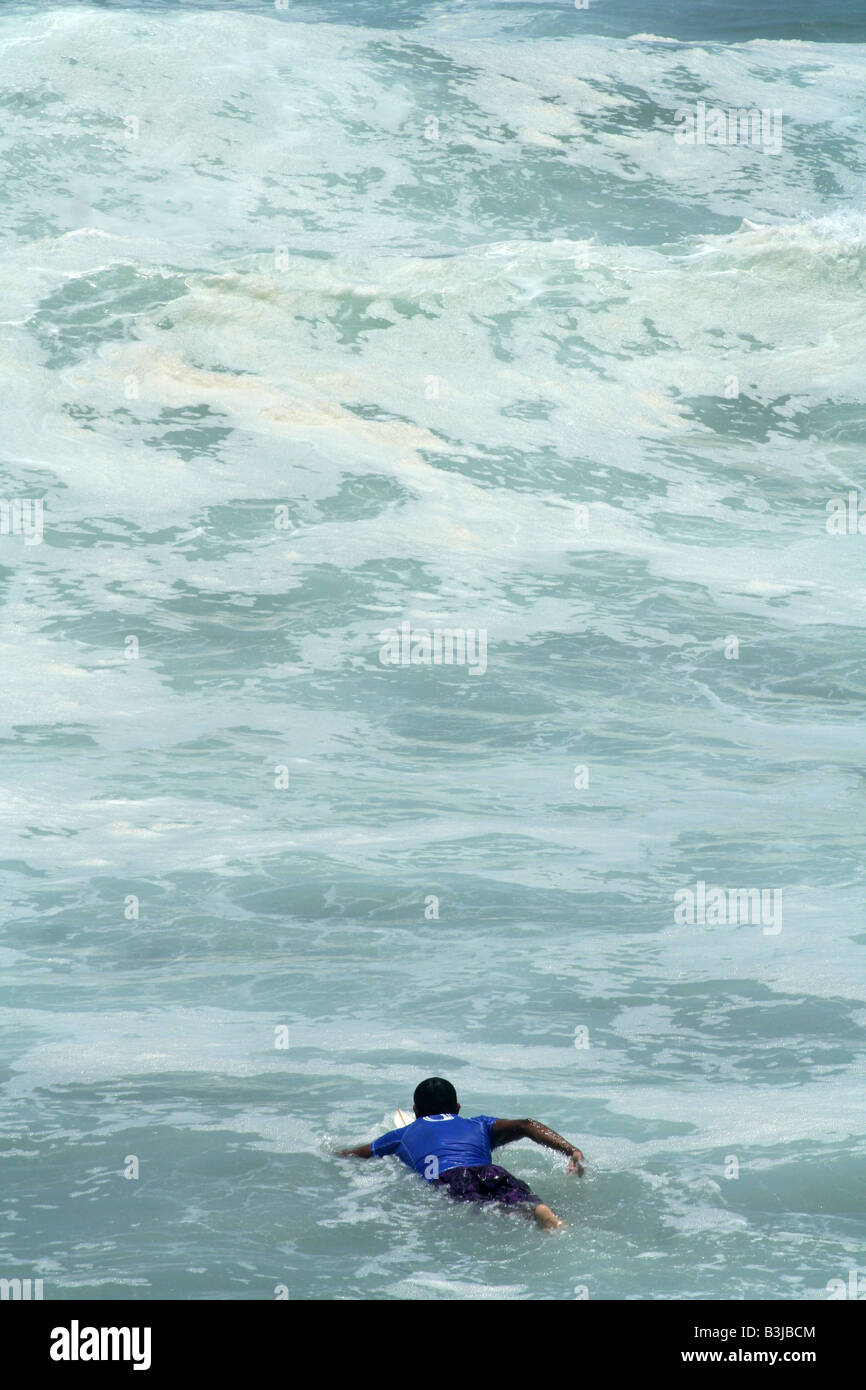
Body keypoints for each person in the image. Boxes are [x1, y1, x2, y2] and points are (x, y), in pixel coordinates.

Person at [336, 1076, 584, 1230]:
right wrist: (571, 1150)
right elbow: (527, 1125)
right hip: (492, 1171)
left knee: (488, 1210)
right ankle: (542, 1212)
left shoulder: (402, 1134)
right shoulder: (480, 1124)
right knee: (518, 1197)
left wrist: (329, 1153)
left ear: (415, 1110)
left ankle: (531, 1215)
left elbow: (358, 1154)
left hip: (450, 1178)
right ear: (457, 1108)